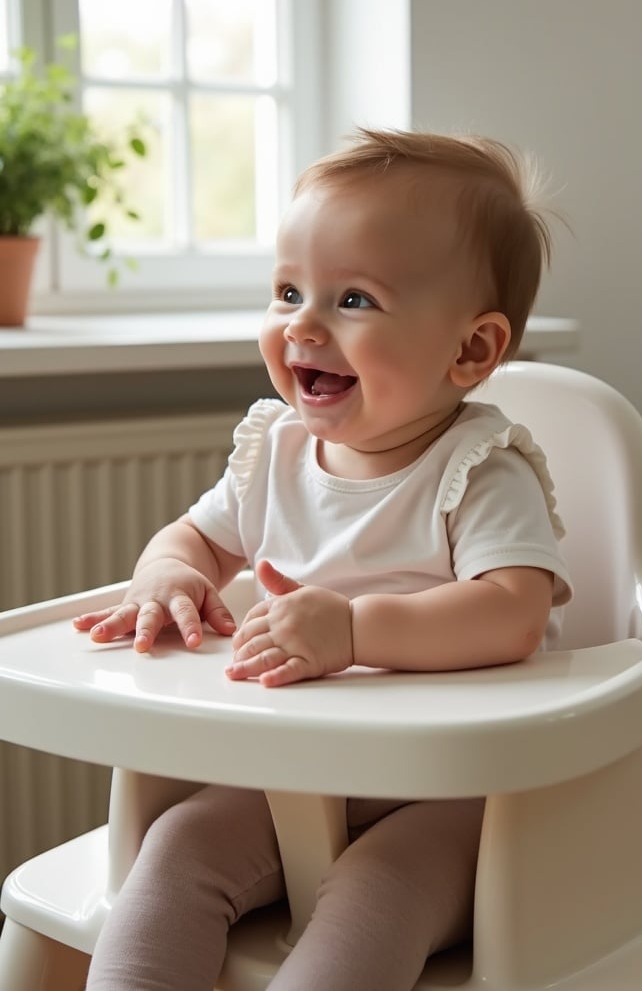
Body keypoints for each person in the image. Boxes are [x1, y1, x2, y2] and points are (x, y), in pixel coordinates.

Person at [74, 127, 573, 991]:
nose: (301, 323)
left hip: (456, 798)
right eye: (287, 290)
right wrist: (169, 573)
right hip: (298, 776)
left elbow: (514, 610)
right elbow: (194, 535)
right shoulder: (274, 454)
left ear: (472, 351)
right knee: (177, 848)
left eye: (353, 301)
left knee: (375, 892)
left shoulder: (476, 473)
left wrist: (353, 629)